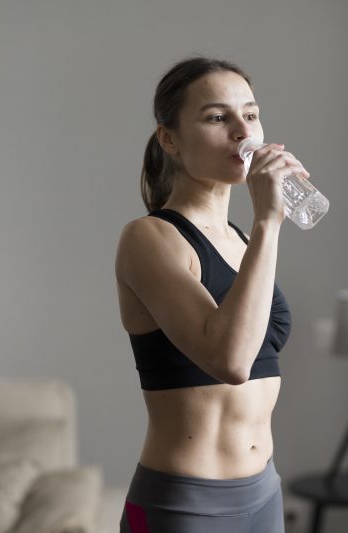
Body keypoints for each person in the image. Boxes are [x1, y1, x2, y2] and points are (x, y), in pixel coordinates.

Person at [115, 56, 309, 533]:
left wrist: (260, 228)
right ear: (170, 140)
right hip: (185, 505)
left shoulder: (242, 241)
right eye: (218, 117)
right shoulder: (149, 238)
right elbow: (231, 362)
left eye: (252, 114)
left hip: (264, 491)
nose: (243, 132)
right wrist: (269, 221)